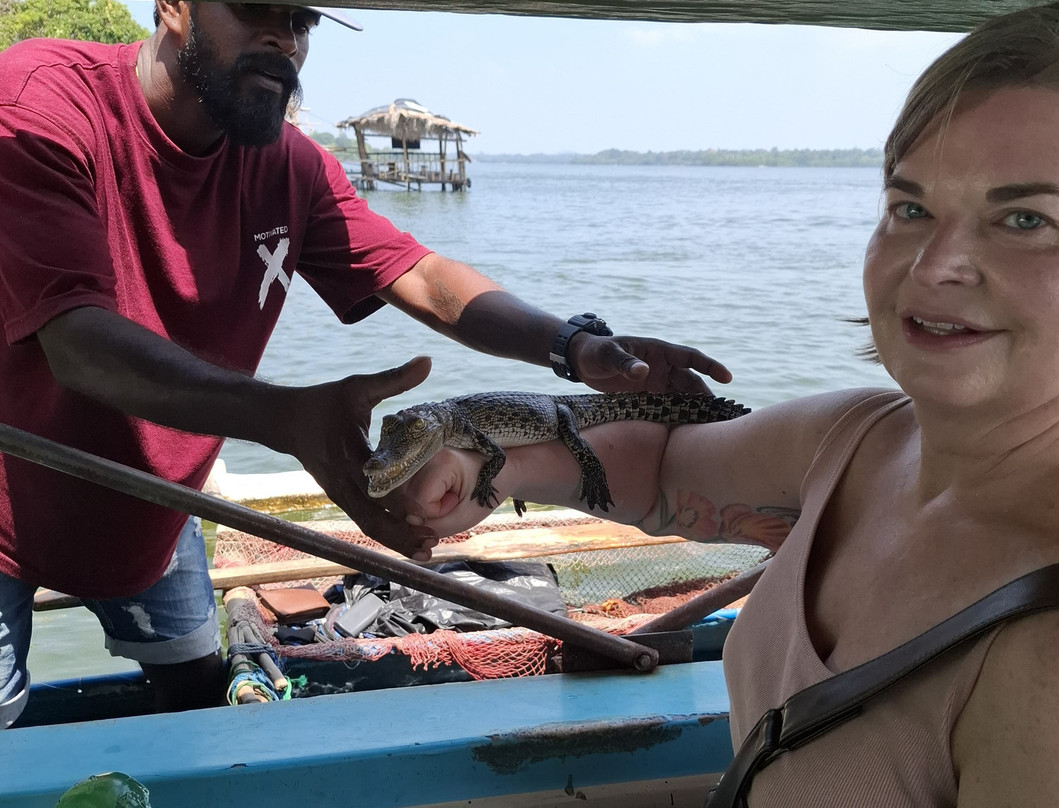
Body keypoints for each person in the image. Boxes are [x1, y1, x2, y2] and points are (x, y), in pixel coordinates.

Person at [398, 2, 1059, 804]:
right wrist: (479, 465)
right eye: (910, 208)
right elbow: (660, 467)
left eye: (1026, 219)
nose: (934, 267)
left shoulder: (1058, 664)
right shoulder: (856, 437)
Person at [0, 1, 732, 729]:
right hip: (8, 495)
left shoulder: (290, 166)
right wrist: (286, 418)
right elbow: (78, 342)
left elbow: (419, 274)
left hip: (163, 510)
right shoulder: (42, 102)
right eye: (256, 10)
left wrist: (575, 346)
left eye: (302, 22)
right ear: (173, 7)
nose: (282, 40)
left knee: (196, 716)